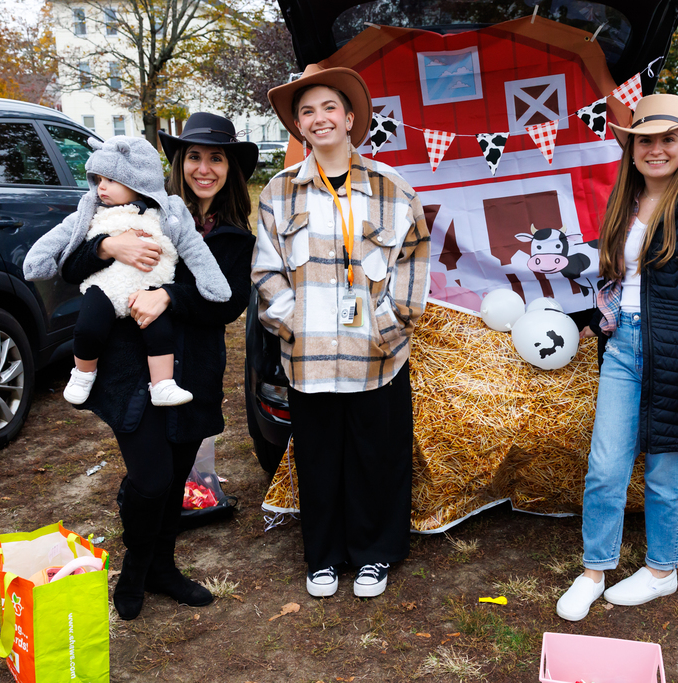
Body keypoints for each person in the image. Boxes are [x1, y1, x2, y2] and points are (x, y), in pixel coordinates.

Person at [57, 114, 258, 620]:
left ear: (230, 168)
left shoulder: (234, 235)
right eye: (193, 156)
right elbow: (68, 267)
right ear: (176, 163)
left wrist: (168, 295)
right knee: (149, 477)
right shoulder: (135, 210)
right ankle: (134, 569)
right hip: (132, 369)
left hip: (192, 371)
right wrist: (106, 246)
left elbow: (226, 303)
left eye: (216, 158)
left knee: (173, 477)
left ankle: (162, 569)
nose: (204, 168)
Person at [556, 94, 678, 621]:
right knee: (605, 466)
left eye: (668, 139)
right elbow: (617, 281)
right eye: (646, 141)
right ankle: (595, 570)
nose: (656, 150)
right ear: (632, 148)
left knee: (665, 471)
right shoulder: (624, 201)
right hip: (623, 348)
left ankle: (662, 569)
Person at [253, 64, 430, 599]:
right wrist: (292, 323)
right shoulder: (279, 193)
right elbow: (266, 270)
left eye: (329, 107)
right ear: (299, 127)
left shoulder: (391, 188)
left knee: (376, 454)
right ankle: (324, 556)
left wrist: (388, 325)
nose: (319, 118)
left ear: (351, 118)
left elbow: (413, 260)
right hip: (308, 357)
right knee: (319, 456)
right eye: (307, 111)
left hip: (375, 354)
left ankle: (373, 554)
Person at [23, 136, 233, 407]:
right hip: (106, 289)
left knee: (159, 334)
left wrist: (207, 284)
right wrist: (106, 246)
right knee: (87, 328)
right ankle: (83, 374)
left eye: (110, 180)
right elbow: (63, 240)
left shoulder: (167, 213)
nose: (101, 188)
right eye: (98, 180)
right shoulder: (93, 213)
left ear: (137, 179)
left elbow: (194, 249)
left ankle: (162, 384)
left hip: (148, 291)